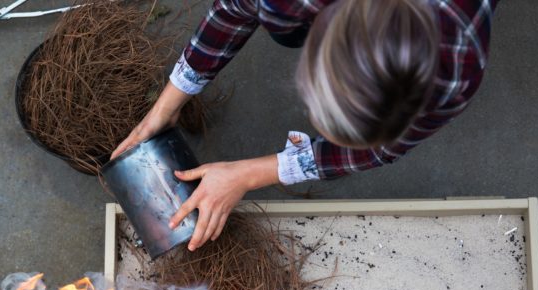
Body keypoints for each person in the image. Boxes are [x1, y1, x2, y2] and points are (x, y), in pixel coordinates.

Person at [112, 0, 497, 251]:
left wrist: (247, 175)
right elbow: (234, 9)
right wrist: (168, 103)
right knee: (282, 25)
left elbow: (381, 150)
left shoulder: (457, 67)